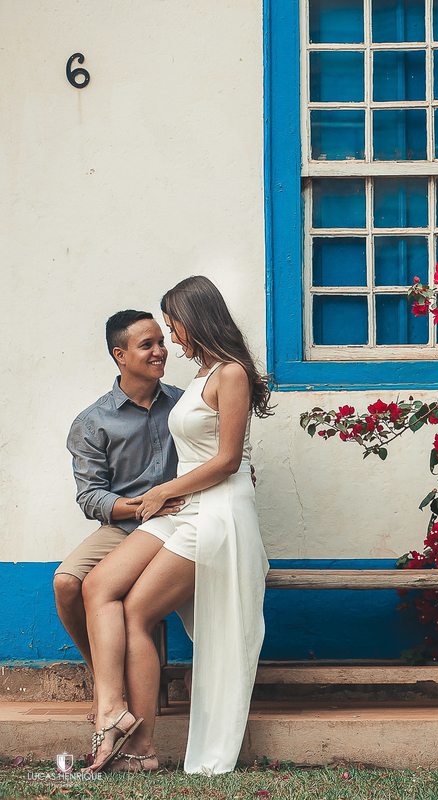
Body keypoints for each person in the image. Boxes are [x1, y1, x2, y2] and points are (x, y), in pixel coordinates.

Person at [81, 276, 273, 775]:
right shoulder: (201, 376)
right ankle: (111, 712)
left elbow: (229, 460)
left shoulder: (230, 373)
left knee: (138, 613)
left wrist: (164, 490)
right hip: (185, 507)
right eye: (163, 332)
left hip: (216, 511)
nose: (172, 340)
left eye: (173, 328)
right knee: (98, 584)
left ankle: (141, 750)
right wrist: (169, 495)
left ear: (197, 319)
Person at [56, 311, 187, 724]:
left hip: (181, 522)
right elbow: (91, 496)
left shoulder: (186, 404)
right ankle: (103, 677)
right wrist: (145, 505)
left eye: (161, 342)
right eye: (147, 345)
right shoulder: (93, 421)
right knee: (65, 582)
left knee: (119, 596)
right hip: (124, 525)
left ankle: (117, 693)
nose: (159, 351)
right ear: (121, 354)